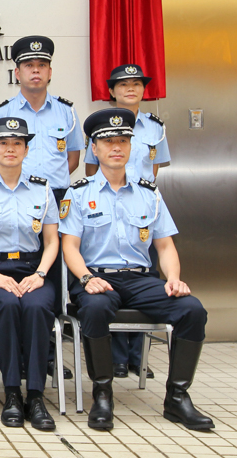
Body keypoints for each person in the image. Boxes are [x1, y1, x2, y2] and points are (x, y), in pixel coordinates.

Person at [60, 108, 212, 431]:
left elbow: (165, 247)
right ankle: (103, 395)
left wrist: (173, 279)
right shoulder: (78, 193)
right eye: (108, 141)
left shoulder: (149, 194)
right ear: (94, 149)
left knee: (192, 310)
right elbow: (69, 246)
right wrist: (86, 278)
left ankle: (177, 397)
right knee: (95, 308)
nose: (116, 147)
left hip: (141, 278)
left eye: (123, 141)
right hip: (96, 276)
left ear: (130, 146)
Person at [0, 35, 82, 378]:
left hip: (53, 198)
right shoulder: (2, 113)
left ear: (50, 71)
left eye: (42, 65)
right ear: (17, 73)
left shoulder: (66, 112)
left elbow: (73, 158)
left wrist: (44, 188)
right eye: (29, 65)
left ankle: (48, 356)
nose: (36, 71)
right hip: (13, 196)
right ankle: (19, 355)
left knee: (51, 278)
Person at [0, 117, 58, 430]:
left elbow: (51, 241)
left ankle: (36, 396)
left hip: (32, 269)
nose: (10, 149)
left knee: (37, 306)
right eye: (3, 143)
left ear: (26, 150)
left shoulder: (43, 190)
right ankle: (12, 393)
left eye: (18, 143)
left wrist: (41, 274)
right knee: (6, 304)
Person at [85, 64, 170, 380]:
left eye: (137, 83)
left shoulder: (155, 128)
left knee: (143, 279)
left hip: (141, 214)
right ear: (111, 91)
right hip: (107, 206)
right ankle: (118, 358)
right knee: (111, 279)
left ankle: (138, 357)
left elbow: (154, 170)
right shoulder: (100, 129)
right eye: (123, 84)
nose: (131, 89)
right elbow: (92, 171)